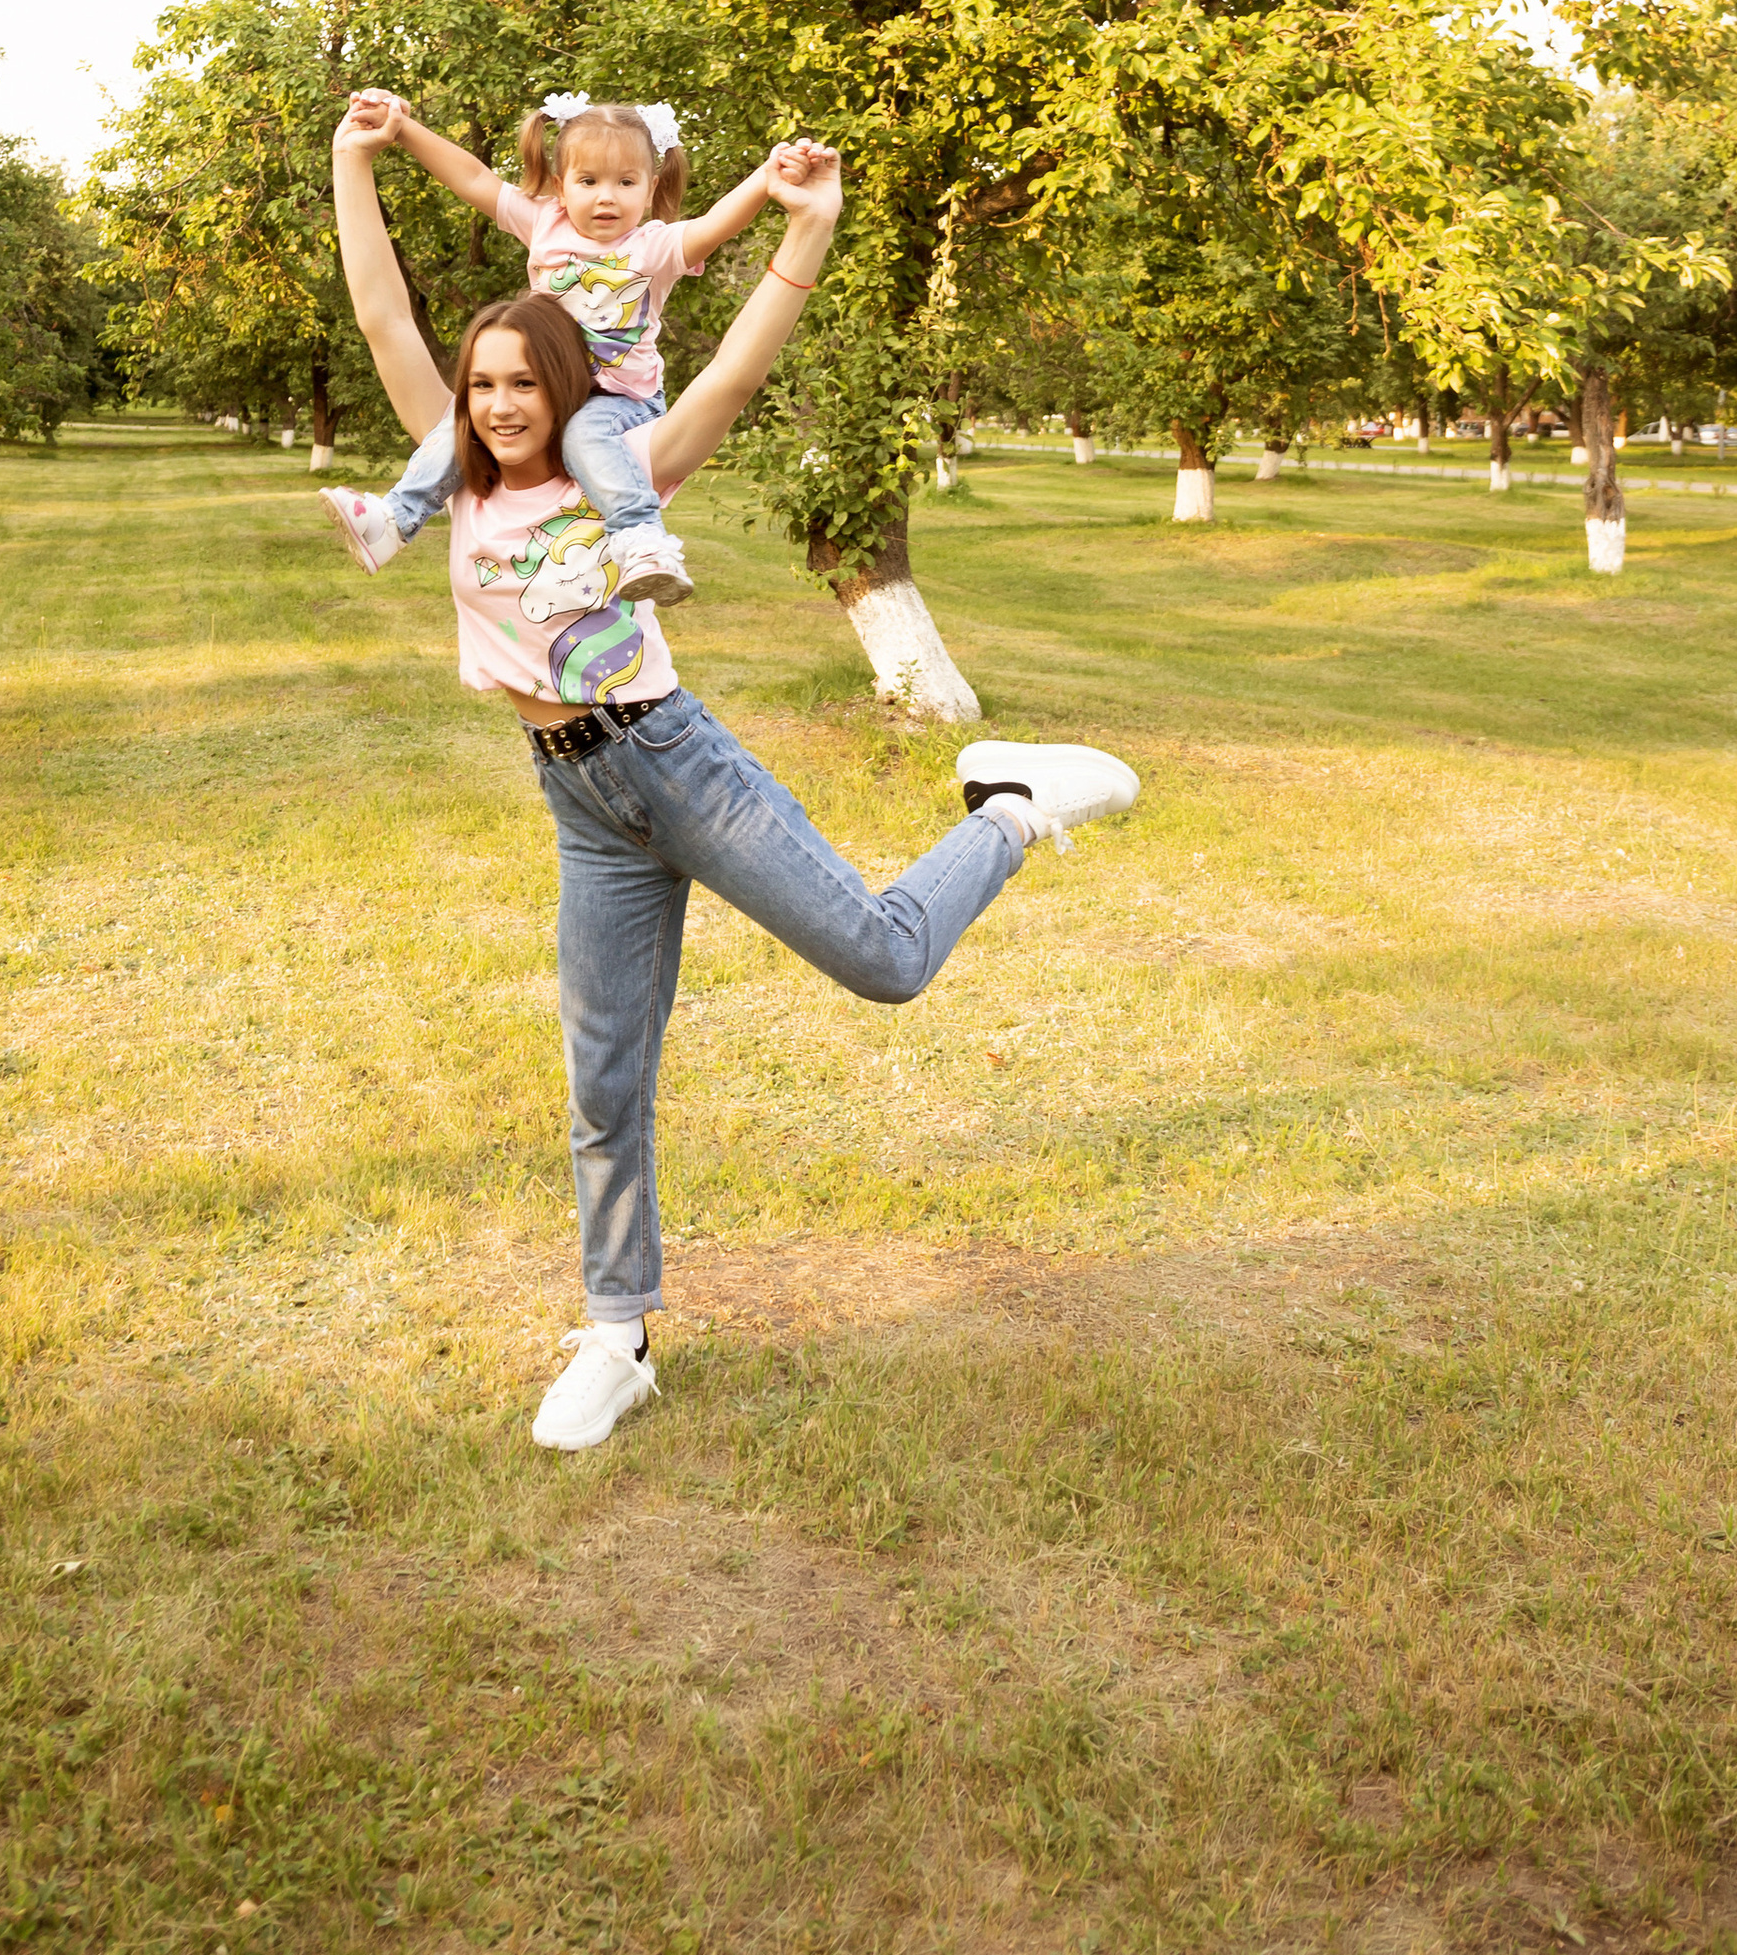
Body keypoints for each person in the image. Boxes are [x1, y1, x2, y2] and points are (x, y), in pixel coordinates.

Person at [327, 97, 1141, 1452]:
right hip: (580, 802)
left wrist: (803, 235)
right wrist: (359, 160)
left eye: (530, 384)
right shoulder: (459, 481)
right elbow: (382, 316)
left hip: (672, 760)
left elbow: (735, 377)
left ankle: (1011, 807)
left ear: (571, 391)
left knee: (885, 961)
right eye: (489, 387)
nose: (505, 401)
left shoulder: (619, 472)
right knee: (603, 1081)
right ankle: (615, 1335)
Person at [319, 90, 801, 611]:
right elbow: (474, 178)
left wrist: (765, 180)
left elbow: (714, 226)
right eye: (588, 181)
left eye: (625, 182)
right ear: (560, 185)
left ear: (651, 186)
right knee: (458, 424)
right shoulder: (544, 223)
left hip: (621, 402)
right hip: (551, 389)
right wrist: (403, 129)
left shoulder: (654, 247)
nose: (606, 198)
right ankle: (395, 519)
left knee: (584, 435)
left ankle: (643, 539)